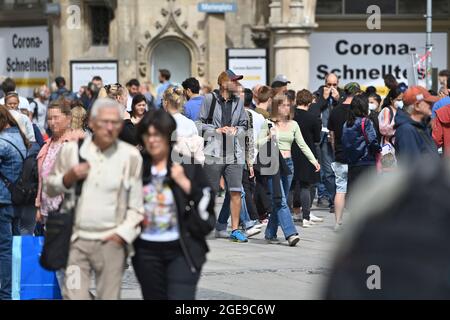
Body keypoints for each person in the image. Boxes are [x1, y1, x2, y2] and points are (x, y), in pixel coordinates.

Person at [45, 98, 144, 300]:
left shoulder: (130, 156)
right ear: (91, 123)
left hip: (111, 243)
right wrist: (68, 177)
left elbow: (138, 206)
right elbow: (50, 187)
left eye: (114, 122)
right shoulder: (72, 151)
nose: (109, 127)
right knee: (73, 295)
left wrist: (122, 235)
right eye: (103, 121)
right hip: (76, 243)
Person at [132, 109, 215, 300]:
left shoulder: (186, 166)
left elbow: (207, 199)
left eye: (158, 135)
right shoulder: (138, 169)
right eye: (148, 135)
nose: (152, 140)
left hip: (181, 250)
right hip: (146, 251)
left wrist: (185, 184)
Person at [258, 93, 320, 246]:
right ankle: (291, 233)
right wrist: (268, 137)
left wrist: (314, 161)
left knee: (280, 200)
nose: (286, 108)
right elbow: (257, 143)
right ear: (276, 106)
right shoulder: (268, 123)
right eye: (282, 105)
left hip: (289, 164)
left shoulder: (294, 124)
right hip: (273, 163)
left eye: (288, 105)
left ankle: (270, 232)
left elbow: (302, 144)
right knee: (281, 200)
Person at [196, 69, 249, 242]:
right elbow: (198, 124)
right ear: (225, 83)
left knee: (235, 191)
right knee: (209, 192)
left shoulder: (238, 102)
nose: (238, 85)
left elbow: (244, 125)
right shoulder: (209, 99)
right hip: (213, 152)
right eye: (235, 81)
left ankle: (234, 229)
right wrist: (215, 130)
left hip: (234, 153)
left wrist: (236, 130)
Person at [36, 100, 85, 226]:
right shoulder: (47, 145)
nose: (52, 122)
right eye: (49, 118)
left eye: (56, 118)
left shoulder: (76, 142)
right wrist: (39, 205)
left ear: (68, 118)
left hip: (68, 210)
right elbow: (41, 179)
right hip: (47, 211)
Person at [0, 105, 29, 300]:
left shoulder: (2, 142)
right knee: (14, 246)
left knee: (5, 249)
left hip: (3, 200)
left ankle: (6, 293)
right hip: (17, 199)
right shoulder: (20, 137)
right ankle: (16, 290)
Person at [328, 82, 361, 232]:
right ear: (357, 93)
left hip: (340, 155)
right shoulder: (359, 110)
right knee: (357, 190)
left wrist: (336, 150)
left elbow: (332, 136)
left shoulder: (335, 111)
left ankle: (338, 222)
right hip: (357, 156)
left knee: (340, 189)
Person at [310, 73, 345, 213]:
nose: (331, 88)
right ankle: (331, 199)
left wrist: (338, 100)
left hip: (337, 136)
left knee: (336, 170)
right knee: (325, 171)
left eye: (334, 85)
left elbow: (345, 111)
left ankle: (338, 199)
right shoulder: (318, 95)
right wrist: (323, 99)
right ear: (325, 83)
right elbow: (314, 112)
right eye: (328, 84)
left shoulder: (341, 96)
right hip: (322, 136)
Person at [291, 90, 323, 228]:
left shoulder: (290, 116)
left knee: (291, 186)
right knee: (305, 185)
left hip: (290, 152)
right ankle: (306, 217)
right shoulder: (312, 118)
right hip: (307, 153)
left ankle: (290, 213)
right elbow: (317, 138)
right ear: (309, 102)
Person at [342, 94, 381, 196]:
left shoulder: (347, 123)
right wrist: (379, 149)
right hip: (366, 162)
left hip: (352, 163)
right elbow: (372, 140)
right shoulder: (366, 122)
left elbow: (344, 142)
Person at [394, 86, 440, 164]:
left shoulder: (421, 126)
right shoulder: (406, 130)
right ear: (417, 106)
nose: (432, 105)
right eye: (428, 102)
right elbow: (411, 166)